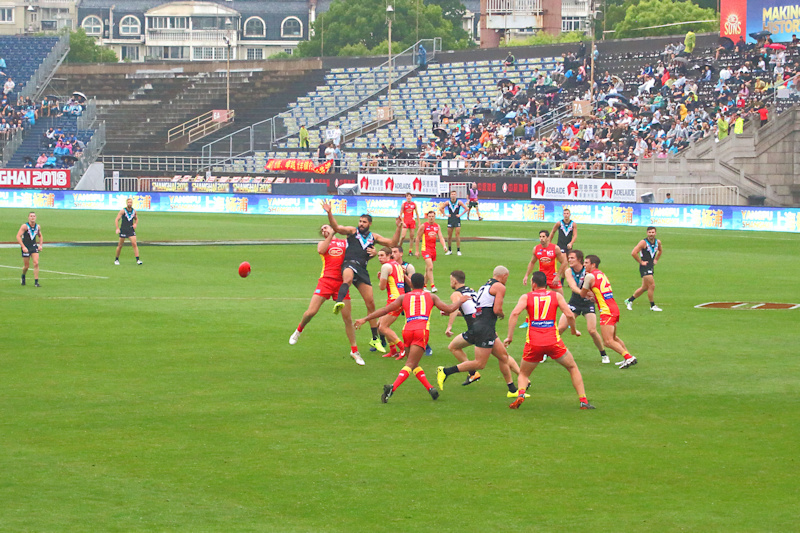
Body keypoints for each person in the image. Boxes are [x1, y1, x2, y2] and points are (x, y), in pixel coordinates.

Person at [354, 273, 465, 403]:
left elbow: (385, 310)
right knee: (410, 363)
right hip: (421, 331)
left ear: (410, 284)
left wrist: (365, 319)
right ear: (424, 284)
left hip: (407, 330)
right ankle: (392, 388)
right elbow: (450, 308)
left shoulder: (403, 297)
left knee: (413, 363)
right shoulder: (431, 296)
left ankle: (430, 389)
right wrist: (460, 301)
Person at [505, 271, 595, 410]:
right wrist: (573, 330)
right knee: (572, 367)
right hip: (553, 342)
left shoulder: (526, 297)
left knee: (523, 373)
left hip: (534, 343)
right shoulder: (556, 295)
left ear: (534, 284)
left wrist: (510, 337)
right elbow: (569, 315)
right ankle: (583, 400)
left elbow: (515, 313)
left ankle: (521, 394)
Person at [322, 201, 402, 353]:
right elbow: (338, 228)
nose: (361, 223)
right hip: (349, 263)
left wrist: (398, 227)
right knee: (347, 278)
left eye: (364, 222)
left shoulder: (374, 237)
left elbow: (393, 243)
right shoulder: (352, 231)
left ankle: (374, 338)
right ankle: (339, 302)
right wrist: (329, 212)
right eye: (360, 221)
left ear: (370, 224)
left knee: (370, 302)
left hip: (362, 269)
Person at [437, 266, 523, 397]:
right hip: (484, 328)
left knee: (503, 356)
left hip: (481, 326)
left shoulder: (486, 286)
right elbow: (496, 310)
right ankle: (446, 371)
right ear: (504, 276)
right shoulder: (492, 288)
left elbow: (476, 309)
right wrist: (501, 314)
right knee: (480, 364)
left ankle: (513, 390)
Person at [289, 224, 364, 365]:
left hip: (341, 284)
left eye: (326, 227)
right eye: (322, 230)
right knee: (311, 312)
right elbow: (322, 250)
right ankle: (299, 330)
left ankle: (354, 350)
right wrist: (331, 234)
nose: (324, 230)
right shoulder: (323, 244)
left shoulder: (344, 243)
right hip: (326, 281)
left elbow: (357, 252)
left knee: (347, 318)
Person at [581, 255, 637, 369]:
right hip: (613, 307)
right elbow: (601, 292)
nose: (584, 265)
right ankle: (628, 357)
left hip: (607, 311)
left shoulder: (589, 276)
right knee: (614, 338)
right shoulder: (601, 274)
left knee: (607, 341)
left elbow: (582, 294)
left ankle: (628, 357)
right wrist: (595, 298)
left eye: (586, 262)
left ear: (593, 264)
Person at [559, 249, 609, 364]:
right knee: (560, 328)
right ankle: (547, 352)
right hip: (574, 302)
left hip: (587, 303)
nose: (569, 260)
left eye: (572, 258)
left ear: (579, 260)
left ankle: (603, 354)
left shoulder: (587, 271)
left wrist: (594, 296)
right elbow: (572, 286)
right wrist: (583, 292)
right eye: (569, 258)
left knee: (592, 330)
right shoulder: (568, 271)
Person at [376, 247, 407, 359]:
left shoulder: (385, 267)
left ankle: (402, 348)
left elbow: (382, 287)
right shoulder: (397, 265)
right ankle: (393, 350)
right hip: (399, 297)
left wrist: (380, 279)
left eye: (382, 255)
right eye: (378, 255)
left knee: (383, 327)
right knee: (381, 324)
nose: (379, 258)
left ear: (389, 255)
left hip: (395, 300)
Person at [624, 227, 663, 312]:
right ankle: (652, 305)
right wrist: (641, 262)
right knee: (652, 285)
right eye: (649, 232)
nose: (651, 234)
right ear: (647, 233)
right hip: (645, 267)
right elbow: (633, 253)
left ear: (655, 233)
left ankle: (629, 300)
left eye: (653, 232)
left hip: (651, 266)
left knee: (645, 287)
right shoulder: (643, 242)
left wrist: (656, 259)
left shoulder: (658, 242)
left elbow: (660, 251)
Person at [523, 229, 567, 295]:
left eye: (543, 237)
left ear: (548, 238)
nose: (541, 239)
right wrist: (526, 275)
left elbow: (564, 262)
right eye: (540, 237)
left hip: (552, 277)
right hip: (541, 277)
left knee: (560, 297)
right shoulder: (536, 249)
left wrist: (557, 276)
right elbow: (532, 262)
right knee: (535, 296)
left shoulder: (555, 248)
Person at [415, 210, 448, 293]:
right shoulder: (424, 226)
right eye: (429, 216)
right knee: (430, 267)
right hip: (425, 249)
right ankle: (433, 286)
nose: (431, 218)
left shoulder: (437, 226)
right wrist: (416, 250)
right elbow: (418, 237)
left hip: (433, 249)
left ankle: (424, 286)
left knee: (427, 269)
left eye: (432, 216)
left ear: (435, 217)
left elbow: (440, 237)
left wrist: (444, 246)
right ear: (427, 217)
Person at [17, 211, 42, 287]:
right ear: (28, 217)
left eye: (34, 216)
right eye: (31, 216)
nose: (32, 217)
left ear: (36, 217)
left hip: (33, 246)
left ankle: (36, 282)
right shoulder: (24, 226)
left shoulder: (37, 227)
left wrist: (40, 245)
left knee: (36, 263)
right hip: (26, 247)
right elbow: (18, 236)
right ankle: (23, 276)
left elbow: (40, 236)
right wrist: (23, 246)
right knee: (26, 266)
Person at [438, 190, 468, 255]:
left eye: (454, 194)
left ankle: (458, 250)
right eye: (452, 194)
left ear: (456, 195)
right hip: (450, 219)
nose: (453, 195)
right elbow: (440, 208)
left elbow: (466, 208)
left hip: (457, 219)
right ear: (450, 195)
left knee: (457, 235)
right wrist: (445, 214)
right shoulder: (447, 202)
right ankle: (450, 250)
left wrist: (460, 215)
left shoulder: (459, 202)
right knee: (449, 236)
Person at [114, 198, 142, 265]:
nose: (130, 203)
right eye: (128, 202)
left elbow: (136, 218)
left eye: (131, 202)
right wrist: (117, 228)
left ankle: (138, 259)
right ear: (127, 203)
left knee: (134, 244)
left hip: (130, 229)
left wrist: (135, 224)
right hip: (123, 229)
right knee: (120, 245)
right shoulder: (123, 211)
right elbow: (117, 219)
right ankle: (116, 259)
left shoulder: (134, 211)